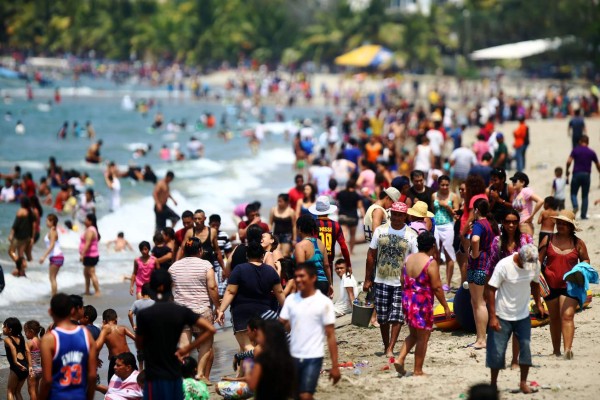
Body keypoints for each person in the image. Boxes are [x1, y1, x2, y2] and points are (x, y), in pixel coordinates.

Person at [135, 269, 216, 399]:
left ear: (153, 287)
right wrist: (187, 348)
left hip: (154, 376)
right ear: (170, 285)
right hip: (174, 374)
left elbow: (139, 344)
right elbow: (210, 329)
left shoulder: (144, 314)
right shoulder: (180, 311)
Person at [486, 244, 545, 394]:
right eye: (525, 264)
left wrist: (538, 303)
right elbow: (491, 290)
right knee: (497, 352)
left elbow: (536, 284)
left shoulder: (534, 264)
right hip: (502, 314)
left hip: (523, 314)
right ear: (519, 256)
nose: (528, 268)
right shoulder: (504, 265)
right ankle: (493, 384)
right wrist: (492, 316)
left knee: (526, 348)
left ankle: (523, 383)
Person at [363, 202, 418, 357]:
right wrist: (367, 279)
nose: (397, 218)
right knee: (382, 316)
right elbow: (371, 255)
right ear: (391, 214)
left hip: (401, 283)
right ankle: (386, 344)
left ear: (405, 216)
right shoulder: (380, 231)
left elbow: (414, 259)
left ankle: (391, 348)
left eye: (400, 215)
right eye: (394, 214)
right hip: (380, 280)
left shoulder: (411, 235)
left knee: (397, 316)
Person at [279, 262, 340, 400]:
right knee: (296, 396)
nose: (298, 279)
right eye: (296, 277)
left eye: (302, 276)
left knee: (305, 395)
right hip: (293, 356)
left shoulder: (324, 302)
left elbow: (330, 335)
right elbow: (280, 326)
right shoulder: (290, 300)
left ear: (313, 278)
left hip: (313, 356)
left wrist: (335, 366)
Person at [394, 232, 451, 376]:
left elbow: (402, 280)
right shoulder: (430, 262)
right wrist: (445, 306)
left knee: (413, 334)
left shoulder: (408, 259)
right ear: (433, 246)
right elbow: (437, 287)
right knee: (423, 337)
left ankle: (400, 359)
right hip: (422, 303)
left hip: (407, 300)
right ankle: (418, 370)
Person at [538, 210, 590, 359]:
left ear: (570, 226)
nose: (560, 225)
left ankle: (567, 350)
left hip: (570, 286)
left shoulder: (578, 243)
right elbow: (538, 261)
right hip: (550, 285)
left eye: (564, 224)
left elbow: (586, 260)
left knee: (567, 316)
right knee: (554, 318)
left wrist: (580, 270)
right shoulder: (547, 239)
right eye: (558, 223)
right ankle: (556, 351)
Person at [217, 242, 285, 352]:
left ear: (247, 256)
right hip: (264, 313)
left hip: (241, 313)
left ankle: (256, 366)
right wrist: (287, 310)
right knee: (261, 346)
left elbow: (230, 292)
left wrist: (221, 310)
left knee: (247, 347)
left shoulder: (239, 269)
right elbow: (279, 292)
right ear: (262, 256)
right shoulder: (270, 271)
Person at [170, 237, 220, 383]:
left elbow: (167, 289)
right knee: (206, 344)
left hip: (181, 312)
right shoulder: (205, 265)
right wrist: (217, 306)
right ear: (200, 250)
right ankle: (200, 374)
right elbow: (212, 287)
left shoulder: (174, 267)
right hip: (201, 311)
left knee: (184, 345)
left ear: (185, 251)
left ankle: (186, 378)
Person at [39, 293, 98, 400]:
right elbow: (92, 376)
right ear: (72, 310)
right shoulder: (86, 334)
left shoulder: (49, 339)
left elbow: (47, 380)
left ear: (50, 312)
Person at [467, 199, 498, 349]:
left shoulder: (479, 224)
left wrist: (474, 253)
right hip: (489, 265)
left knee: (478, 303)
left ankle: (481, 339)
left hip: (478, 264)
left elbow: (475, 239)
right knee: (483, 301)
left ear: (477, 210)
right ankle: (483, 338)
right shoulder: (491, 224)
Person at [247, 320, 295, 400]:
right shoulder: (287, 358)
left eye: (260, 334)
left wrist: (248, 369)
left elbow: (252, 385)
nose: (258, 337)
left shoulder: (262, 359)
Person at [310, 195, 351, 274]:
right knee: (329, 285)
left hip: (315, 264)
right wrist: (348, 264)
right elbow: (343, 247)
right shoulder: (336, 225)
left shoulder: (313, 225)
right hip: (329, 263)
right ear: (328, 210)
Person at [293, 215, 332, 296]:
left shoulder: (300, 246)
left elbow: (301, 268)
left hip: (311, 284)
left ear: (300, 229)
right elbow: (326, 265)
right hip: (323, 283)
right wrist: (330, 284)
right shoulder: (320, 243)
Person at [432, 175, 459, 290]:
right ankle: (435, 280)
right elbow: (433, 211)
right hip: (436, 226)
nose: (444, 187)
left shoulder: (453, 196)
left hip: (448, 225)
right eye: (442, 185)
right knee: (435, 254)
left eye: (447, 185)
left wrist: (447, 206)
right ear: (439, 184)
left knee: (449, 253)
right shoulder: (434, 195)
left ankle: (448, 283)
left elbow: (456, 215)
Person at [96, 309, 136, 383]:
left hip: (116, 360)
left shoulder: (104, 331)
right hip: (129, 358)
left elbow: (98, 346)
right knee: (135, 381)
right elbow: (136, 338)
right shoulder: (122, 328)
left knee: (112, 383)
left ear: (104, 321)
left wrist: (96, 357)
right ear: (116, 320)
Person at [566, 135, 600, 220]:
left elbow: (568, 161)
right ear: (588, 142)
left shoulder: (575, 150)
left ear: (580, 142)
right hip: (586, 175)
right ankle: (583, 215)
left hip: (576, 174)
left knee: (573, 193)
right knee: (585, 195)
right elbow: (598, 165)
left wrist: (567, 170)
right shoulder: (591, 152)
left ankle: (575, 205)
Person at [8, 196, 35, 276]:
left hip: (19, 237)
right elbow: (33, 226)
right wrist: (32, 237)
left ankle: (21, 264)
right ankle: (21, 271)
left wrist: (11, 235)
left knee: (11, 252)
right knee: (21, 254)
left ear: (22, 203)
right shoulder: (31, 212)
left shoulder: (20, 211)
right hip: (27, 237)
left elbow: (15, 225)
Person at [4, 317, 29, 400]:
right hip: (25, 367)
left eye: (4, 326)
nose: (2, 328)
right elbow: (28, 351)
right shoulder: (22, 338)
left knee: (10, 391)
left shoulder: (7, 339)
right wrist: (31, 366)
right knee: (17, 391)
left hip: (16, 368)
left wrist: (15, 362)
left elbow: (13, 348)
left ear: (10, 329)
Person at [39, 214, 63, 295]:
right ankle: (54, 295)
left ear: (52, 222)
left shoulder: (52, 231)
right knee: (53, 278)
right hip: (57, 256)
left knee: (52, 278)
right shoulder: (53, 230)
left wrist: (44, 256)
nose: (46, 222)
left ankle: (54, 297)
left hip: (56, 256)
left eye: (47, 221)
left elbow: (52, 245)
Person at [80, 213, 101, 296]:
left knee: (91, 273)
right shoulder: (91, 229)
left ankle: (97, 291)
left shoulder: (90, 230)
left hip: (90, 255)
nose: (85, 221)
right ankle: (87, 291)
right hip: (90, 255)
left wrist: (82, 254)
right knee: (86, 273)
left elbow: (88, 244)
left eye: (86, 219)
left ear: (90, 221)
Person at [24, 320, 44, 400]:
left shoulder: (29, 342)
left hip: (32, 369)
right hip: (40, 369)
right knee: (36, 390)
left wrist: (30, 367)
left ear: (31, 331)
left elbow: (28, 355)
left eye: (26, 332)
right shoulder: (41, 341)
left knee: (31, 391)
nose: (25, 334)